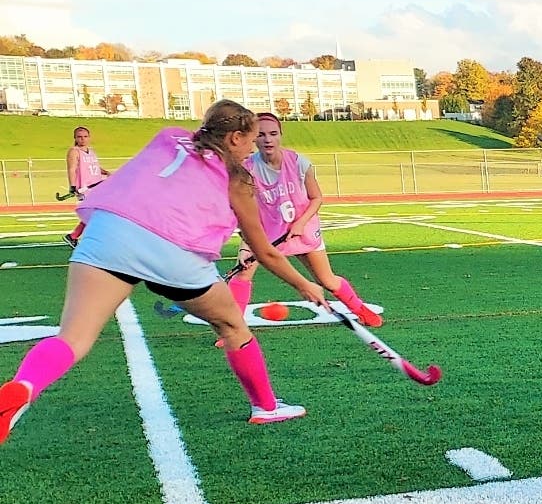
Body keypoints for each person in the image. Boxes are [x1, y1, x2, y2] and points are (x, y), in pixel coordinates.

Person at [0, 100, 330, 446]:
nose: (252, 148)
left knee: (72, 337)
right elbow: (264, 251)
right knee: (232, 325)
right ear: (233, 138)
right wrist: (305, 284)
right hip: (172, 250)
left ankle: (24, 386)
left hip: (108, 233)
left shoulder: (169, 136)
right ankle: (266, 406)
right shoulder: (239, 180)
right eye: (249, 140)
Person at [227, 112, 383, 329]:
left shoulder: (299, 162)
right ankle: (233, 329)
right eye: (261, 135)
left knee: (327, 280)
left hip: (304, 230)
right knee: (243, 273)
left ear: (280, 135)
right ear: (253, 138)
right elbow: (242, 209)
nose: (268, 139)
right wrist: (245, 240)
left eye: (273, 134)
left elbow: (316, 198)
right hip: (269, 234)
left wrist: (300, 223)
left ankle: (360, 309)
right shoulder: (247, 169)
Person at [63, 126, 109, 248]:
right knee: (94, 213)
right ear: (75, 138)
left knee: (98, 212)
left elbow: (92, 167)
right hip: (85, 188)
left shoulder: (91, 151)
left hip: (97, 185)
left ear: (89, 137)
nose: (82, 139)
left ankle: (73, 236)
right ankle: (75, 236)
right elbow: (72, 169)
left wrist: (105, 172)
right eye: (79, 137)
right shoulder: (74, 151)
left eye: (85, 136)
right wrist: (72, 186)